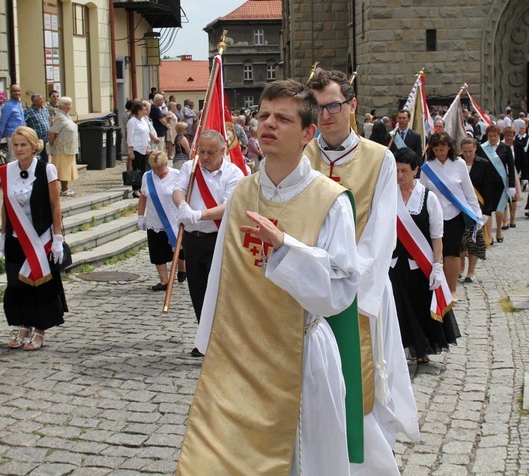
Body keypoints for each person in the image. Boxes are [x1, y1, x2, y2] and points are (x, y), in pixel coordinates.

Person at [178, 79, 362, 474]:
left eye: (283, 118)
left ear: (308, 133)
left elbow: (339, 291)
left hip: (302, 354)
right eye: (263, 115)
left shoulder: (330, 200)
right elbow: (222, 279)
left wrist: (285, 247)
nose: (268, 124)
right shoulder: (242, 193)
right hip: (242, 354)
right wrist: (210, 341)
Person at [305, 69, 419, 474]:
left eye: (334, 105)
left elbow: (380, 233)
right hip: (308, 292)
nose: (326, 115)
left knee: (362, 385)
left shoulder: (379, 158)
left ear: (352, 106)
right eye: (317, 108)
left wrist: (346, 282)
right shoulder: (303, 156)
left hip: (360, 293)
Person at [175, 130, 244, 355]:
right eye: (202, 151)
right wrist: (182, 206)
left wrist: (199, 215)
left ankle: (224, 339)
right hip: (193, 240)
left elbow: (229, 205)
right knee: (198, 290)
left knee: (220, 290)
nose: (204, 156)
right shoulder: (191, 168)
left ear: (223, 151)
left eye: (211, 152)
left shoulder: (234, 173)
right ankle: (203, 340)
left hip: (218, 238)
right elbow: (178, 190)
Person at [0, 126, 67, 351]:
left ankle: (39, 329)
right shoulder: (7, 170)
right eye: (15, 145)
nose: (19, 149)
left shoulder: (46, 169)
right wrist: (3, 233)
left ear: (33, 146)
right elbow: (5, 205)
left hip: (41, 238)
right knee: (16, 284)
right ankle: (23, 325)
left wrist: (57, 237)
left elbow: (55, 205)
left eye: (23, 145)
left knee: (41, 285)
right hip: (16, 237)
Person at [390, 147, 459, 365]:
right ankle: (397, 349)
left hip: (419, 264)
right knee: (397, 308)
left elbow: (437, 237)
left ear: (415, 170)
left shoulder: (428, 199)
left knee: (418, 307)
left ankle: (421, 348)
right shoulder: (387, 195)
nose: (400, 176)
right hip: (393, 264)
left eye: (404, 171)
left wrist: (437, 266)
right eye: (397, 170)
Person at [421, 131, 482, 300]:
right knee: (436, 253)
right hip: (434, 216)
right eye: (436, 149)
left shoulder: (460, 164)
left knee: (453, 253)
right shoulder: (427, 167)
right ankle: (438, 288)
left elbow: (469, 192)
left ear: (449, 147)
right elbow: (422, 192)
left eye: (443, 149)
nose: (440, 152)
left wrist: (477, 214)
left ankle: (452, 288)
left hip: (454, 215)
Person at [137, 150, 186, 290]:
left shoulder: (177, 175)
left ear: (166, 164)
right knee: (158, 251)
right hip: (155, 220)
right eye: (153, 167)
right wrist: (141, 216)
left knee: (180, 249)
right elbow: (143, 197)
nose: (156, 171)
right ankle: (164, 281)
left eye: (159, 167)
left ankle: (182, 269)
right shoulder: (147, 177)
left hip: (174, 219)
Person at [459, 137, 502, 283]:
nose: (468, 154)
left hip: (478, 207)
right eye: (465, 151)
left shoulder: (483, 164)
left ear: (475, 149)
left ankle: (471, 272)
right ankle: (460, 268)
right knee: (459, 241)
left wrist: (487, 212)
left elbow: (489, 189)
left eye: (470, 151)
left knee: (474, 241)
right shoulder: (457, 163)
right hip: (459, 207)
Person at [478, 124, 516, 241]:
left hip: (500, 183)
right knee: (487, 209)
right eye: (490, 136)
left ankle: (499, 230)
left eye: (495, 136)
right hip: (486, 183)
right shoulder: (482, 148)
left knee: (500, 208)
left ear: (499, 135)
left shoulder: (505, 148)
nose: (493, 138)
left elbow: (510, 167)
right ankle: (489, 234)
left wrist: (511, 185)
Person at [48, 97, 79, 197]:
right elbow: (52, 132)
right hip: (62, 148)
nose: (69, 106)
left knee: (67, 169)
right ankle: (64, 189)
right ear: (61, 105)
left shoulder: (67, 116)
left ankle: (66, 188)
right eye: (66, 104)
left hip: (69, 148)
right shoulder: (60, 117)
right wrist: (52, 143)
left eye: (70, 104)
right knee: (63, 170)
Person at [126, 102, 154, 197]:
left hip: (144, 148)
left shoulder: (143, 121)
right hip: (136, 148)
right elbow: (130, 136)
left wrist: (148, 145)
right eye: (144, 110)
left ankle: (142, 187)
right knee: (136, 169)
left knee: (143, 169)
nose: (146, 111)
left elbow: (147, 133)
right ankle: (135, 189)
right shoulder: (132, 121)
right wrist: (131, 151)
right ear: (139, 111)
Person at [0, 84, 25, 161]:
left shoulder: (18, 103)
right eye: (14, 91)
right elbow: (2, 122)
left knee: (18, 156)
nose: (16, 93)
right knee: (14, 156)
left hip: (20, 133)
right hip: (11, 134)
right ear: (10, 93)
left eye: (18, 91)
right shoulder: (8, 105)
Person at [23, 93, 51, 163]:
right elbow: (23, 123)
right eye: (40, 99)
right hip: (36, 140)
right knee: (37, 159)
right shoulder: (28, 111)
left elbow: (49, 120)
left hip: (46, 140)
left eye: (42, 99)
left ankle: (44, 172)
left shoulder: (45, 110)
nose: (42, 101)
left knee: (45, 159)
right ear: (34, 101)